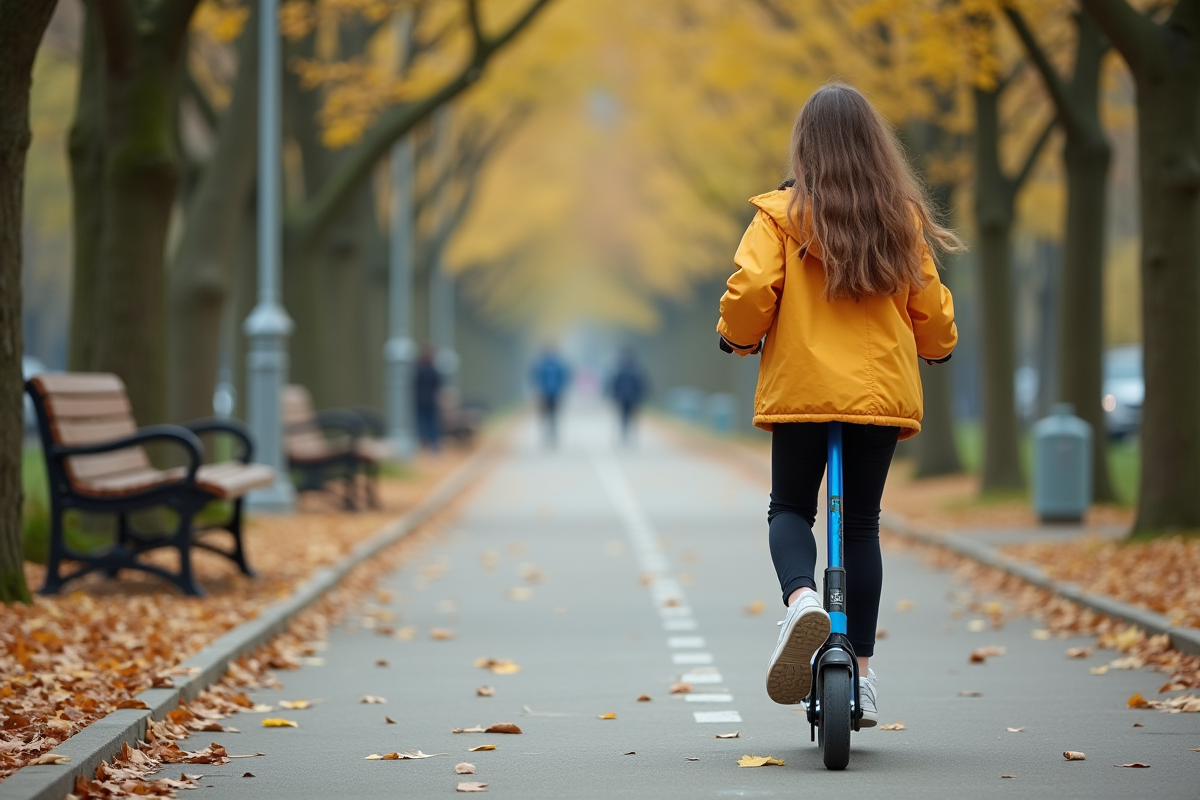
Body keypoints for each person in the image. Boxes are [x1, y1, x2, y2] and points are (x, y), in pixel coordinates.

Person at [716, 83, 960, 727]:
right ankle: (865, 670)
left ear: (805, 147)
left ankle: (801, 601)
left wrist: (734, 338)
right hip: (876, 392)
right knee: (860, 526)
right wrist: (937, 347)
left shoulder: (779, 216)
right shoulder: (899, 219)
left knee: (791, 507)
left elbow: (749, 292)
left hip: (802, 389)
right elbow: (929, 303)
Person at [530, 345, 570, 447]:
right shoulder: (549, 364)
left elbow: (563, 378)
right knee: (549, 415)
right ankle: (550, 433)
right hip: (548, 394)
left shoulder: (543, 364)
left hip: (552, 394)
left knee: (551, 415)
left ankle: (551, 433)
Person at [608, 347, 649, 443]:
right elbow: (641, 384)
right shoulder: (636, 371)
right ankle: (631, 434)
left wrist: (614, 395)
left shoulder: (620, 370)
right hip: (633, 397)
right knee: (632, 416)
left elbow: (615, 384)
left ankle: (624, 433)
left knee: (623, 416)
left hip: (623, 397)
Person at [414, 344, 443, 452]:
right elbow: (438, 384)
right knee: (431, 424)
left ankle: (424, 445)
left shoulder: (418, 369)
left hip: (420, 401)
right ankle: (434, 446)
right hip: (430, 401)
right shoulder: (433, 369)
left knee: (422, 424)